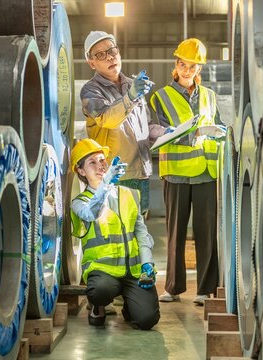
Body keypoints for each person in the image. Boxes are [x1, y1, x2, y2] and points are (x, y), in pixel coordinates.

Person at [149, 38, 223, 306]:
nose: (187, 69)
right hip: (176, 173)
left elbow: (219, 128)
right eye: (183, 64)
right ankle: (173, 287)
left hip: (205, 171)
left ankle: (204, 289)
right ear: (176, 65)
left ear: (199, 69)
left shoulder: (210, 97)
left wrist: (219, 133)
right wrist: (194, 135)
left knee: (206, 232)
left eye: (193, 66)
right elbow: (159, 134)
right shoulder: (160, 97)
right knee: (175, 233)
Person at [70, 138, 160, 330]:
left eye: (102, 160)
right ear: (81, 171)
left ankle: (131, 304)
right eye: (92, 162)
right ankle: (97, 306)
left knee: (147, 320)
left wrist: (147, 262)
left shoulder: (129, 194)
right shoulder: (79, 202)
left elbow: (141, 232)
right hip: (103, 273)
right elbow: (91, 213)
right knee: (99, 292)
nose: (100, 165)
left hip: (132, 270)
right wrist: (106, 185)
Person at [81, 30, 166, 217]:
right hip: (114, 176)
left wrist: (165, 133)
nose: (110, 57)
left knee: (139, 232)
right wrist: (131, 97)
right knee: (115, 234)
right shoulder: (91, 91)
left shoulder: (132, 85)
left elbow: (146, 126)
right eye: (101, 54)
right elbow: (107, 119)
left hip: (141, 173)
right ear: (91, 62)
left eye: (112, 50)